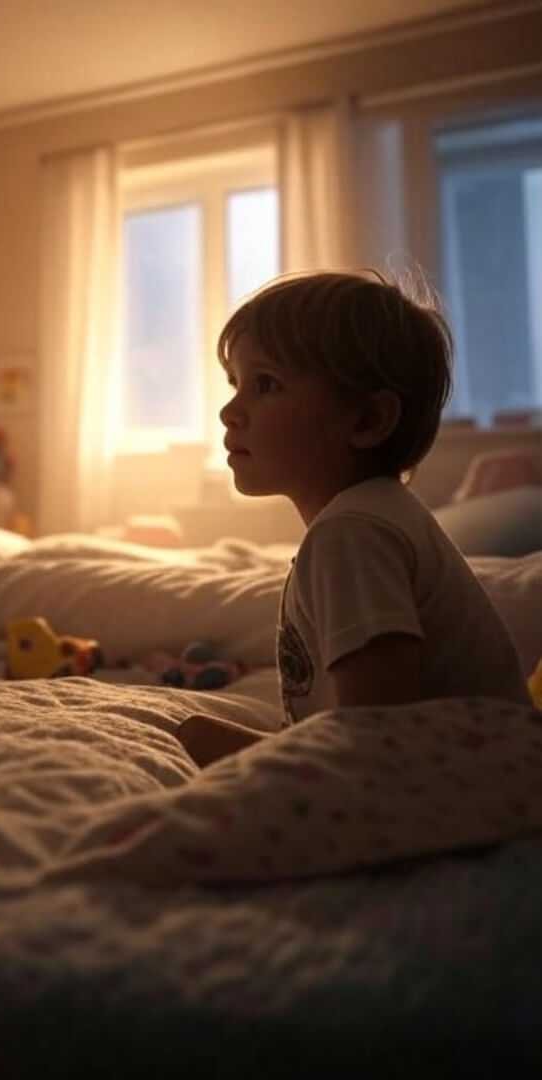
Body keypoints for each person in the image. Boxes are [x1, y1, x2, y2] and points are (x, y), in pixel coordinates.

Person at [177, 269, 531, 768]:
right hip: (449, 771)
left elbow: (374, 737)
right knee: (194, 735)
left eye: (265, 384)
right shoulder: (366, 519)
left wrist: (242, 756)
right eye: (236, 384)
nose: (230, 412)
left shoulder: (353, 533)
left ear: (366, 421)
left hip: (467, 784)